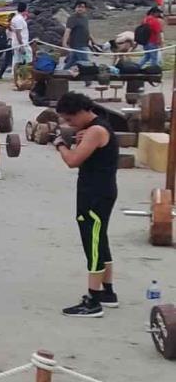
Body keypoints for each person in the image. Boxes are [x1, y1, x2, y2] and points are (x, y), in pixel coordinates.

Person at [52, 92, 119, 317]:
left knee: (93, 244)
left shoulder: (95, 131)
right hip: (100, 192)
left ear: (81, 113)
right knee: (101, 240)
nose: (69, 124)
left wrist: (60, 144)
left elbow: (72, 160)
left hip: (95, 195)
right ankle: (108, 292)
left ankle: (93, 300)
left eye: (70, 120)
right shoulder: (98, 126)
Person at [62, 0, 93, 70]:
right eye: (78, 7)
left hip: (84, 43)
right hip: (77, 45)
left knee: (71, 62)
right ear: (75, 8)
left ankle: (61, 74)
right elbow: (67, 31)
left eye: (82, 7)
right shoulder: (72, 18)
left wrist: (93, 42)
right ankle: (88, 80)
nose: (80, 9)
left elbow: (87, 31)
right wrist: (64, 43)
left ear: (85, 9)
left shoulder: (85, 18)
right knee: (86, 64)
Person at [9, 2, 32, 89]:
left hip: (19, 43)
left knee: (19, 62)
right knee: (21, 62)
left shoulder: (18, 18)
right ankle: (20, 81)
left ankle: (22, 80)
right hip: (20, 43)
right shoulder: (18, 19)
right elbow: (18, 33)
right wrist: (22, 45)